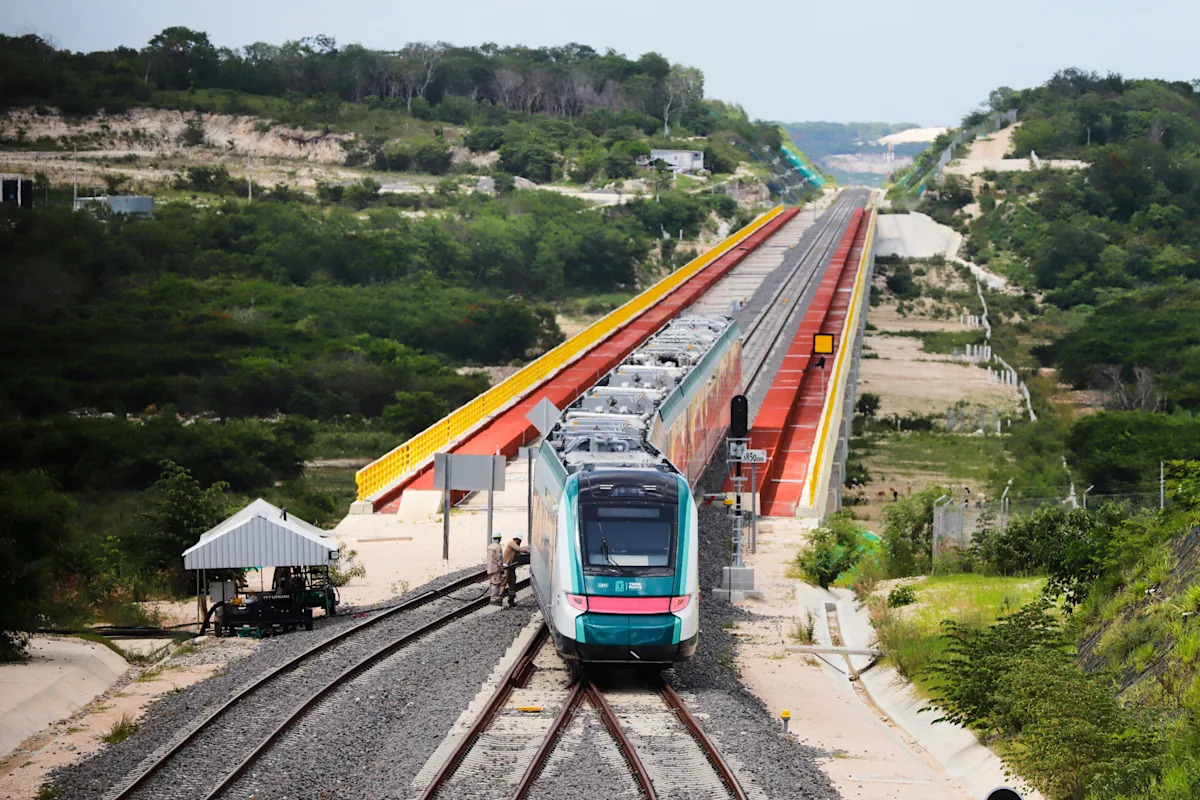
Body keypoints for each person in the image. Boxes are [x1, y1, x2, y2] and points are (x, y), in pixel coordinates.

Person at [502, 535, 529, 607]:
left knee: (512, 583)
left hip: (511, 567)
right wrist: (528, 551)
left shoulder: (515, 545)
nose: (520, 542)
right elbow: (519, 549)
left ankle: (511, 600)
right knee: (505, 583)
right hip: (507, 567)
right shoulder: (512, 543)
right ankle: (498, 599)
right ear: (516, 539)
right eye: (520, 540)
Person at [486, 533, 504, 606]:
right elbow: (499, 558)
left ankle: (492, 597)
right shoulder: (497, 547)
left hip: (490, 568)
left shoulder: (490, 547)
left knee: (492, 583)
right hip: (496, 568)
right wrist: (501, 568)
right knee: (496, 584)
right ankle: (494, 599)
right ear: (499, 539)